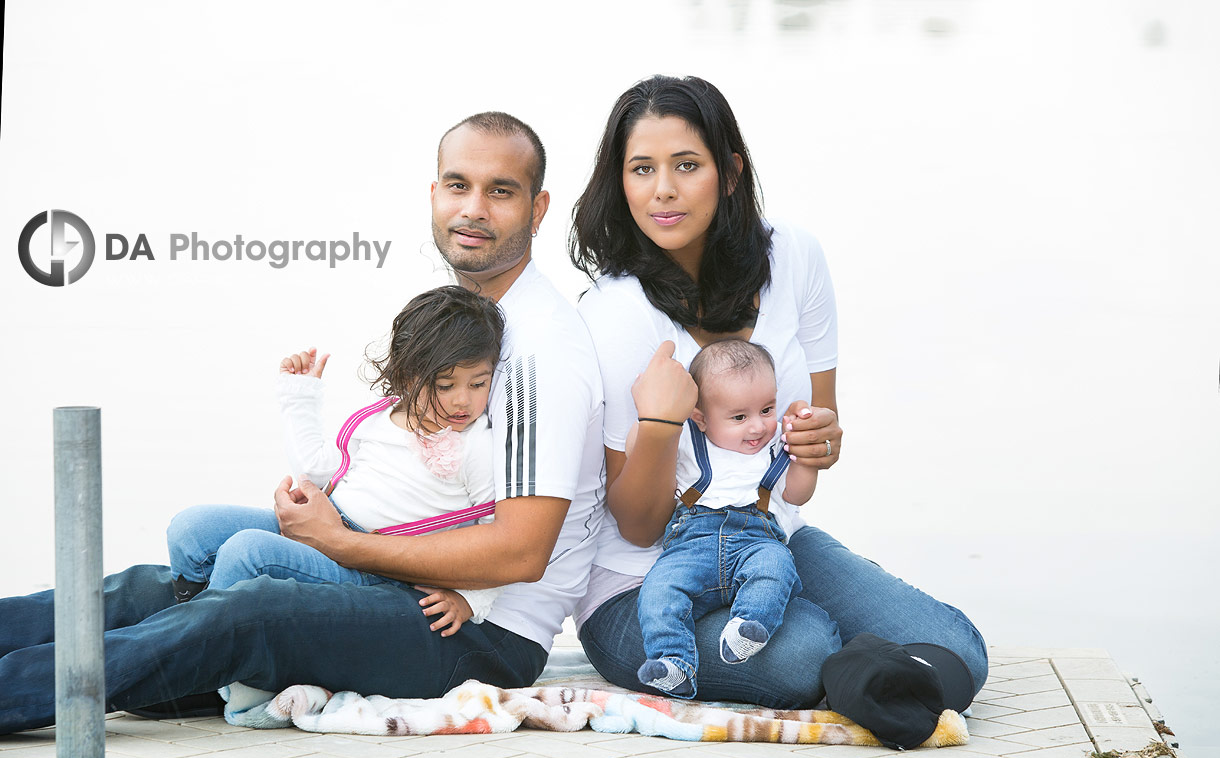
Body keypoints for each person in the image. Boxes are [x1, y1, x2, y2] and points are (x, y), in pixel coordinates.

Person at [0, 111, 605, 735]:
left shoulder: (540, 352)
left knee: (252, 611)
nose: (473, 208)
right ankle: (172, 668)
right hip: (397, 574)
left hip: (478, 633)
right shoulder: (468, 327)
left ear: (537, 211)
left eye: (500, 191)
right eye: (458, 185)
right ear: (434, 195)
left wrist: (338, 543)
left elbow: (522, 551)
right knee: (148, 592)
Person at [571, 74, 988, 708]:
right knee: (798, 658)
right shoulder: (614, 312)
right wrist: (658, 424)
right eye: (641, 169)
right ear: (618, 181)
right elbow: (637, 525)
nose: (663, 190)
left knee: (959, 649)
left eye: (687, 165)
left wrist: (820, 440)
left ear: (730, 171)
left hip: (768, 539)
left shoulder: (793, 257)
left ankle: (853, 666)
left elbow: (817, 424)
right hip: (641, 583)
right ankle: (845, 665)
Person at [167, 285, 505, 636]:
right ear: (407, 376)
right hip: (325, 525)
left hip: (377, 569)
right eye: (445, 386)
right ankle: (195, 630)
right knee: (191, 529)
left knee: (248, 552)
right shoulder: (378, 418)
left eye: (478, 384)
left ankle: (208, 665)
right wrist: (300, 397)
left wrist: (469, 600)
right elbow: (314, 469)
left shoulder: (477, 445)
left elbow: (496, 541)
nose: (462, 401)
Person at [634, 339, 817, 698]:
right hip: (691, 547)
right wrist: (656, 417)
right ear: (700, 418)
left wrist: (806, 456)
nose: (757, 427)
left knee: (777, 566)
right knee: (659, 591)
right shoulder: (688, 439)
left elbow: (797, 495)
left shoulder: (778, 445)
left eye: (767, 409)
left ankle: (748, 626)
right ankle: (674, 663)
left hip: (757, 540)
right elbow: (634, 447)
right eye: (739, 417)